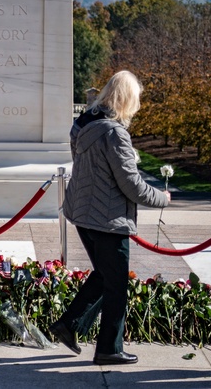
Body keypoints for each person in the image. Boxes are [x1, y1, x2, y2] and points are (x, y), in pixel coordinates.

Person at [50, 70, 170, 366]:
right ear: (128, 99)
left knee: (105, 276)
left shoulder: (82, 123)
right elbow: (131, 184)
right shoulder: (115, 133)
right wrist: (161, 199)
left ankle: (70, 324)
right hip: (108, 218)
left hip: (82, 212)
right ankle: (108, 348)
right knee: (116, 285)